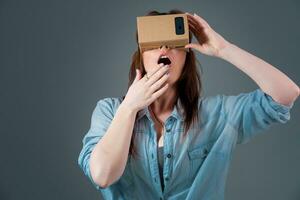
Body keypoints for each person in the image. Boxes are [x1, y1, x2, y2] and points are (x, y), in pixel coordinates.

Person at [78, 9, 299, 200]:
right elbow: (102, 175)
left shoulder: (217, 115)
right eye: (154, 43)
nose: (163, 48)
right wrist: (129, 108)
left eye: (173, 43)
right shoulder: (109, 111)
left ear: (186, 57)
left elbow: (286, 94)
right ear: (141, 55)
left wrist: (224, 49)